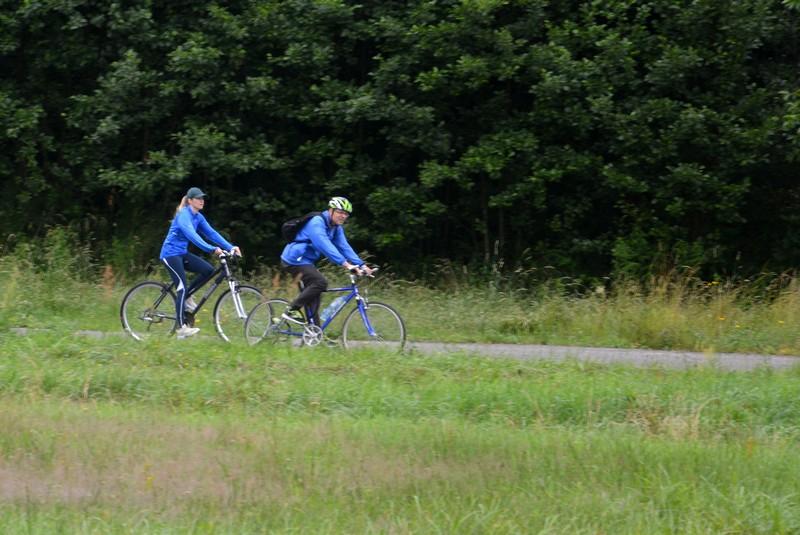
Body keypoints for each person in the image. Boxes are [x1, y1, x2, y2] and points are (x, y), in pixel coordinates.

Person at [160, 187, 241, 339]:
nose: (201, 201)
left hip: (182, 253)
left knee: (208, 270)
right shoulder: (184, 215)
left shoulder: (198, 217)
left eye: (202, 198)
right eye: (198, 198)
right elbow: (192, 236)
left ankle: (187, 296)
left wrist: (230, 247)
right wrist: (212, 249)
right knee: (181, 288)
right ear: (190, 201)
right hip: (170, 255)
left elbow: (212, 233)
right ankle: (181, 328)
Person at [280, 196, 373, 325]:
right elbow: (324, 245)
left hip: (306, 261)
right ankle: (292, 309)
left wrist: (362, 265)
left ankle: (314, 331)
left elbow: (344, 247)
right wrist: (345, 264)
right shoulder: (316, 222)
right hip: (294, 259)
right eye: (340, 212)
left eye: (346, 214)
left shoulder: (336, 227)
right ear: (331, 210)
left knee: (314, 294)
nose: (343, 216)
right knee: (320, 282)